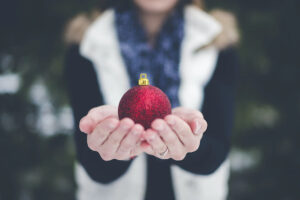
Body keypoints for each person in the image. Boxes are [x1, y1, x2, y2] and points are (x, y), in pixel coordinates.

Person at [64, 0, 239, 199]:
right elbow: (92, 162)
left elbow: (217, 148)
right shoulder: (87, 42)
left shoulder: (217, 39)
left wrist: (190, 144)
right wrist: (113, 148)